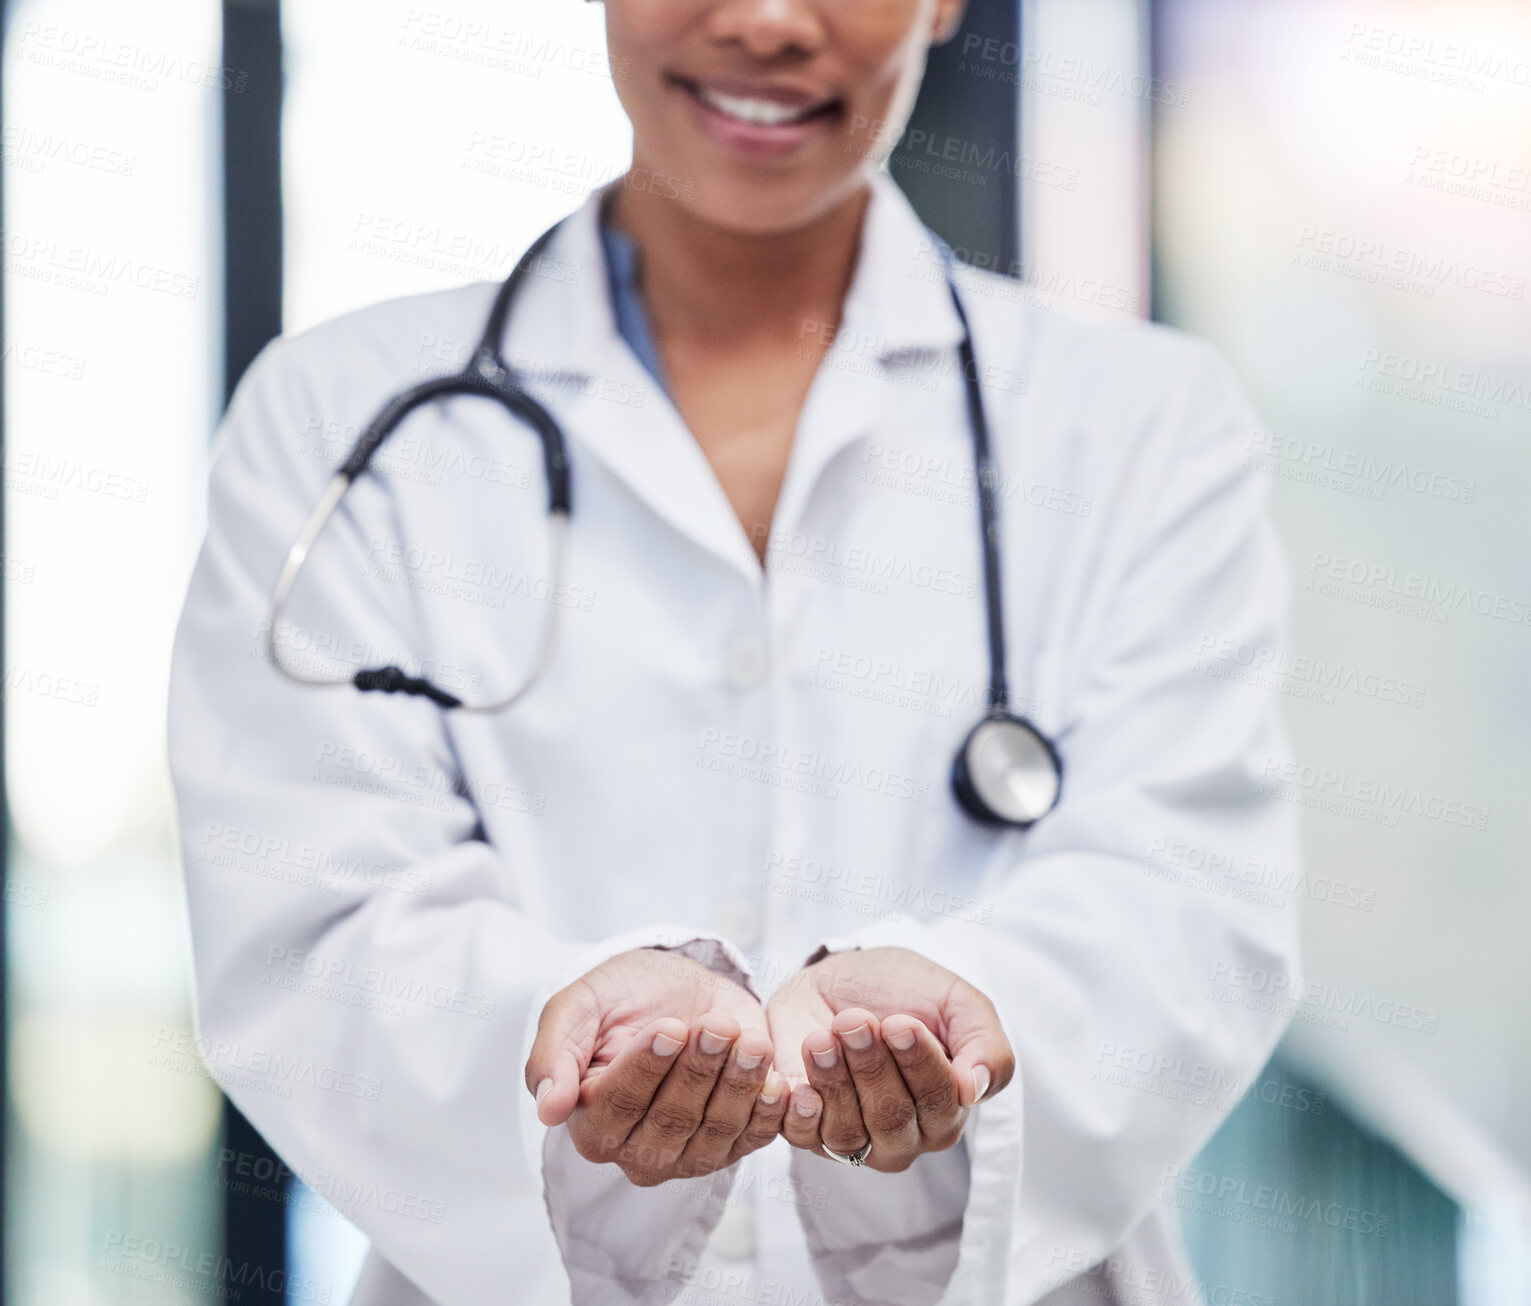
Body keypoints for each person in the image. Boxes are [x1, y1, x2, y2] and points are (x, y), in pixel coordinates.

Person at [166, 0, 1302, 1302]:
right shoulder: (333, 421)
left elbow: (1191, 904)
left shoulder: (1150, 430)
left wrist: (965, 1008)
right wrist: (554, 1025)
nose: (766, 19)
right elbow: (310, 916)